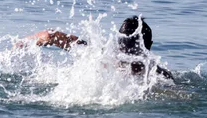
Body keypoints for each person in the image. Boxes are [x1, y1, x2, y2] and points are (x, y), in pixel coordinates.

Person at [20, 16, 174, 80]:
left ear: (118, 41)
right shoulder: (157, 73)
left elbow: (50, 35)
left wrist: (23, 42)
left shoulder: (97, 54)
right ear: (150, 45)